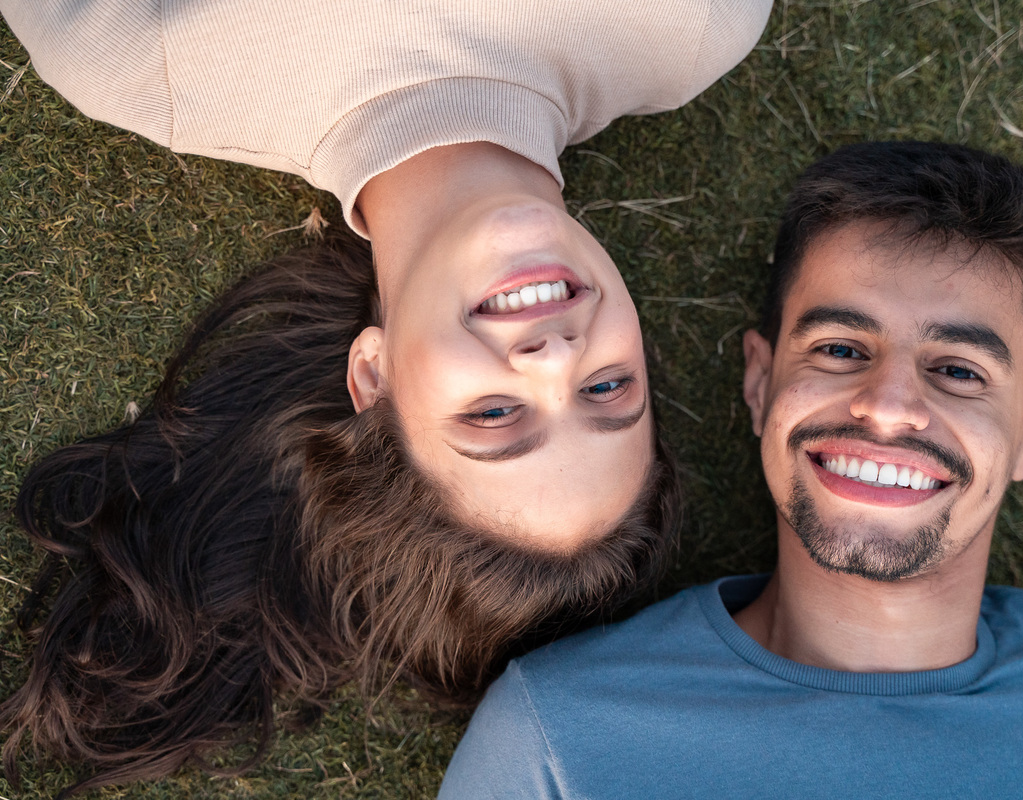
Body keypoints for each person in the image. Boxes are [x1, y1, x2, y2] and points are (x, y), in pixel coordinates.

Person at [0, 0, 770, 794]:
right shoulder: (691, 26)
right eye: (608, 389)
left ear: (372, 379)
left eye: (495, 416)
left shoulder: (137, 52)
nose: (553, 359)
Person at [439, 142, 1023, 799]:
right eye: (840, 349)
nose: (890, 406)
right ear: (761, 384)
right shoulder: (559, 737)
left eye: (960, 371)